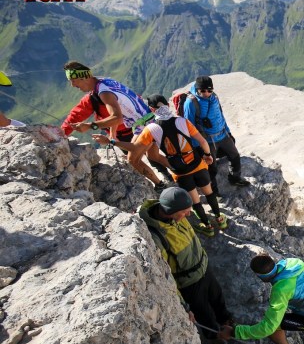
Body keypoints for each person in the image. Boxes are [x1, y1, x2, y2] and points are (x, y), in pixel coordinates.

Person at [94, 102, 227, 237]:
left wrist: (111, 141)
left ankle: (208, 227)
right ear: (167, 105)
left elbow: (134, 148)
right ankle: (220, 220)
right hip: (197, 164)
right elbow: (203, 141)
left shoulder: (151, 129)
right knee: (209, 193)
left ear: (152, 109)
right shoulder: (182, 121)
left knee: (196, 201)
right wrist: (208, 155)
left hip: (181, 172)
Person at [139, 187, 232, 338]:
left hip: (204, 268)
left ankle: (226, 321)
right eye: (185, 212)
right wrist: (183, 305)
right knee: (204, 314)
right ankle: (215, 337)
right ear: (170, 211)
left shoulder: (177, 216)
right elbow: (165, 274)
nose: (188, 215)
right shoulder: (155, 235)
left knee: (217, 298)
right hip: (189, 284)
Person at [63, 61, 169, 190]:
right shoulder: (105, 82)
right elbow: (118, 111)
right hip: (147, 119)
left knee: (133, 160)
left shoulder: (103, 93)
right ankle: (181, 171)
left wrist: (90, 126)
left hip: (141, 125)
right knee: (153, 156)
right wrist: (113, 133)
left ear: (83, 77)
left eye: (73, 81)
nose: (72, 85)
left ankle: (161, 185)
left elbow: (117, 118)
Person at [181, 76, 249, 195]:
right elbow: (190, 126)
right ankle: (214, 192)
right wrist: (197, 146)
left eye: (209, 90)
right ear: (197, 89)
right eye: (203, 90)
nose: (206, 93)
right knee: (211, 167)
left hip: (222, 135)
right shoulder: (191, 103)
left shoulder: (215, 97)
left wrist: (228, 132)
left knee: (235, 156)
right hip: (207, 140)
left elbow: (220, 116)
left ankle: (235, 178)